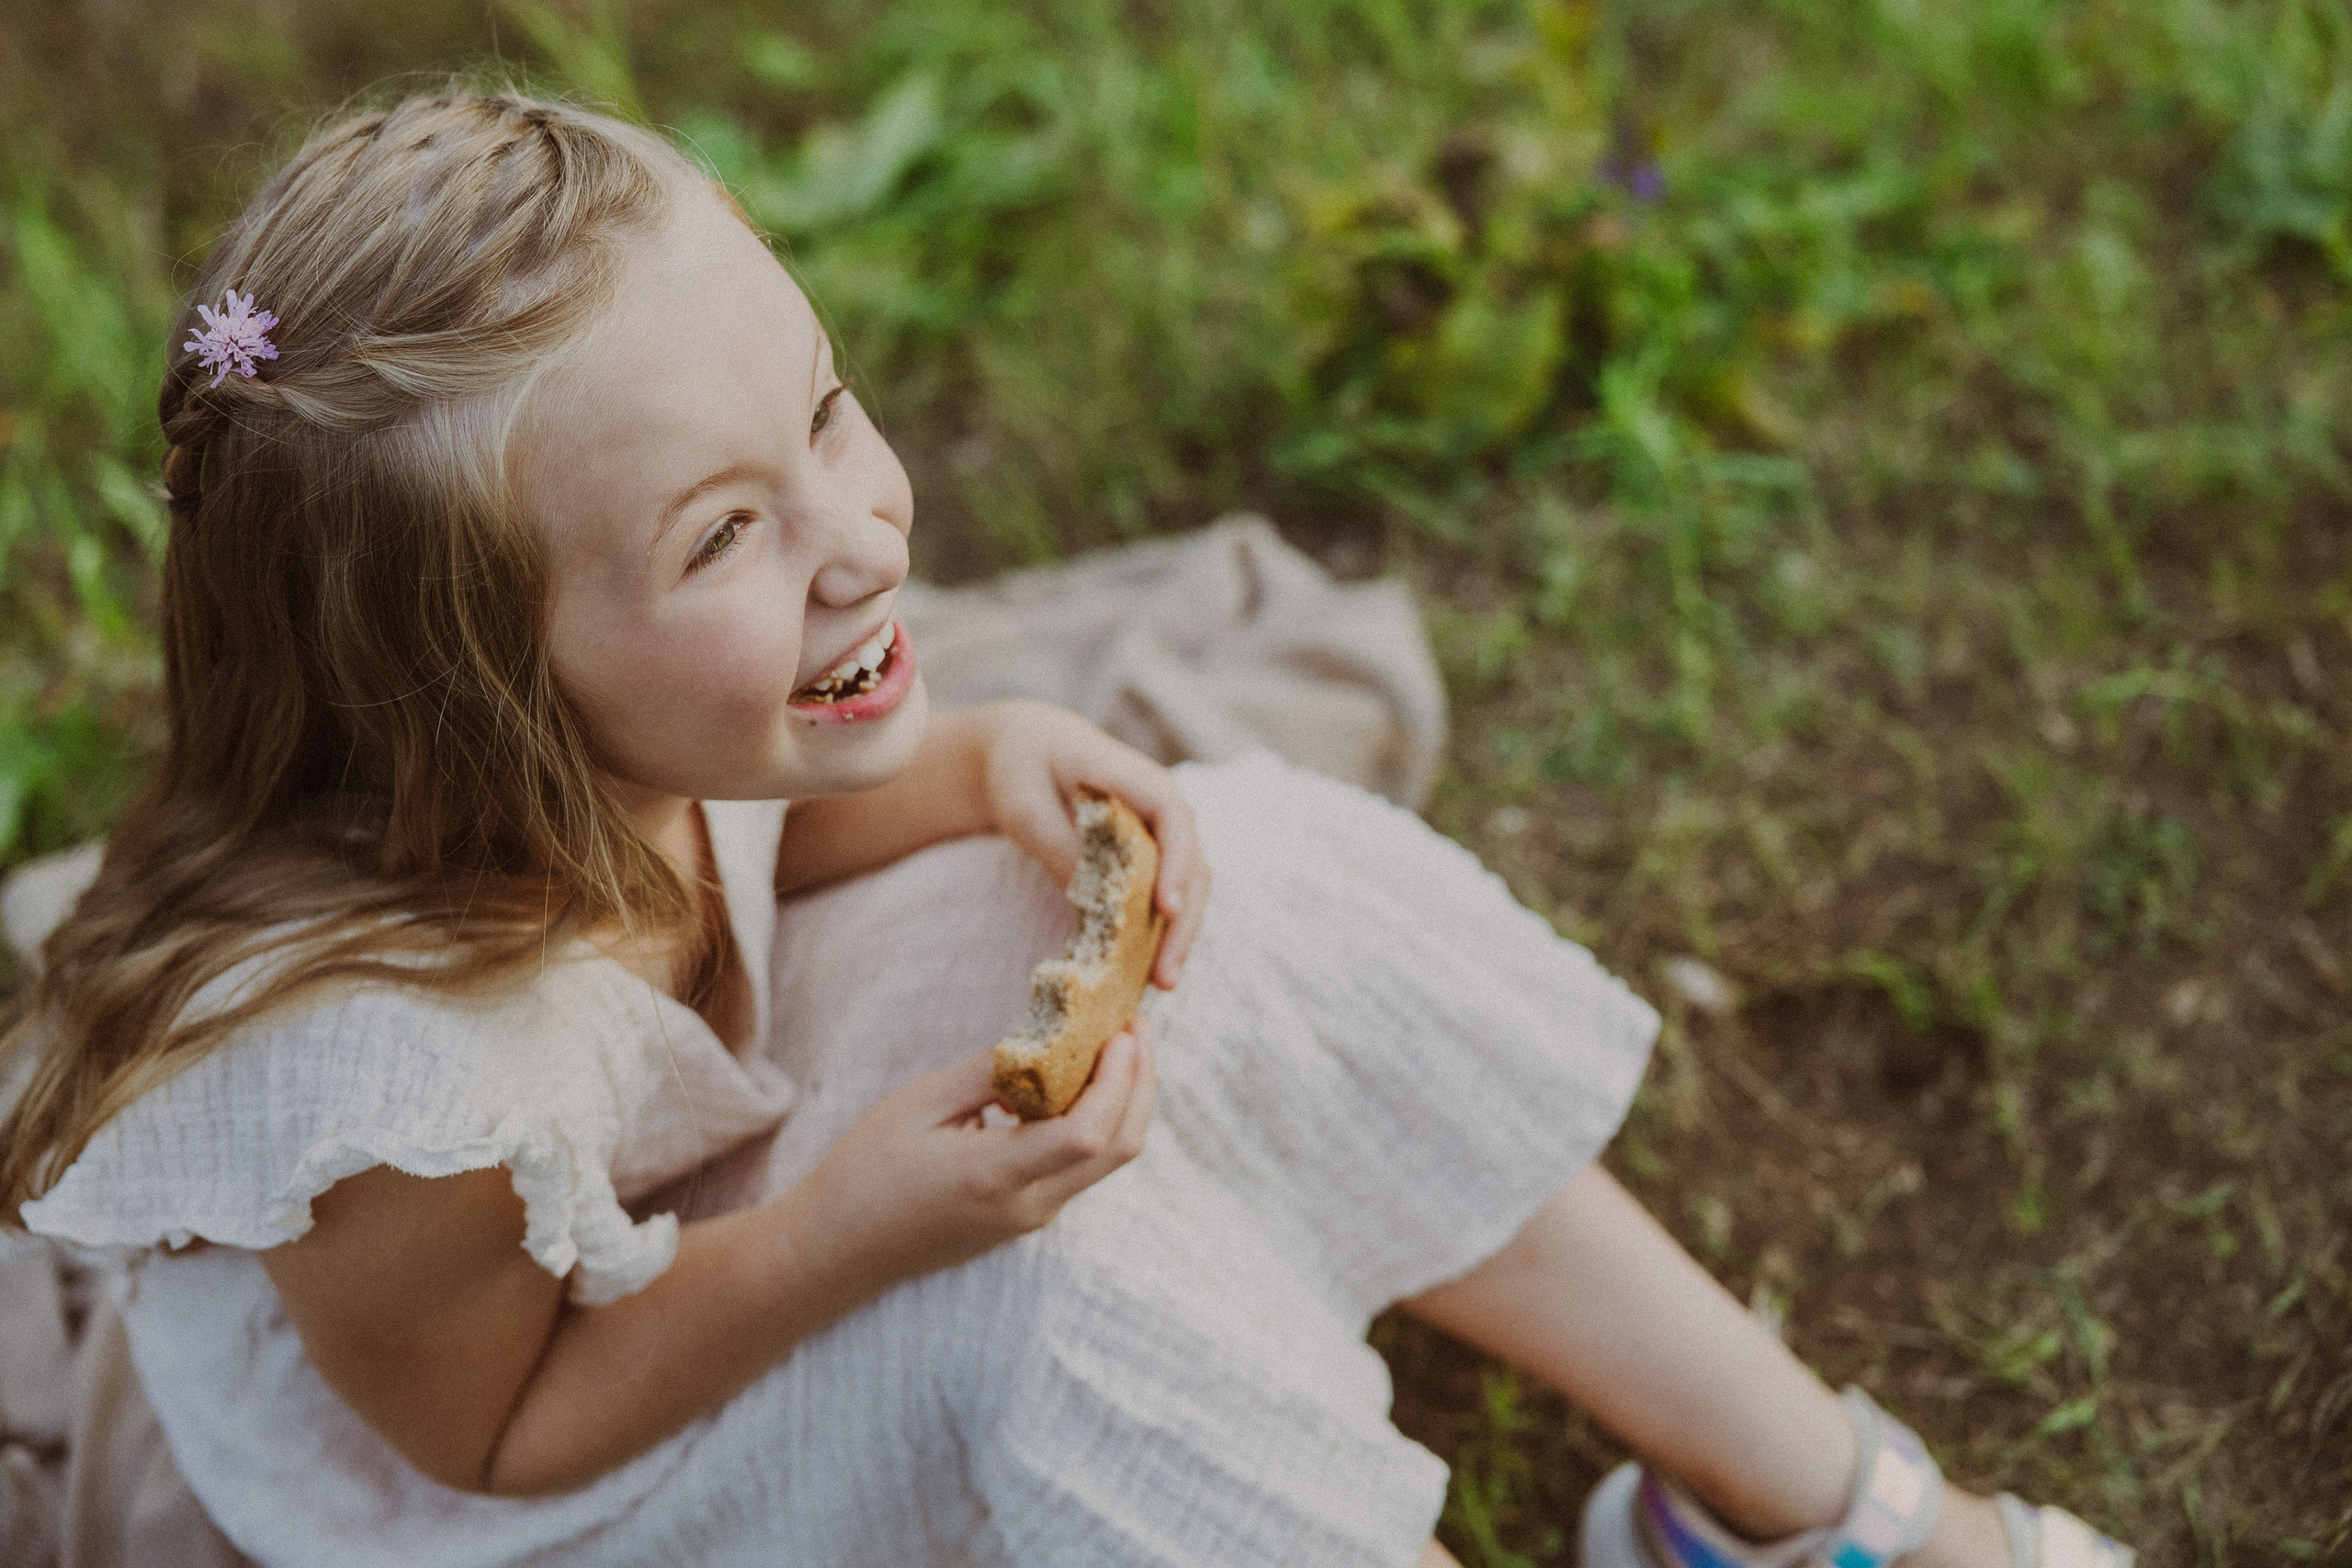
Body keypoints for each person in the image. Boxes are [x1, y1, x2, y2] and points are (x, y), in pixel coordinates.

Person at [0, 88, 2132, 1568]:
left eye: (823, 409)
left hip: (669, 1205)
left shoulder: (615, 739)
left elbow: (751, 867)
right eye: (726, 530)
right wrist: (853, 1227)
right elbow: (493, 1429)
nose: (862, 536)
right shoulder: (390, 1085)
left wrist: (993, 752)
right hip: (536, 1485)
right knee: (1042, 1286)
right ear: (473, 679)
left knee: (1244, 877)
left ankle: (1801, 1496)